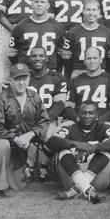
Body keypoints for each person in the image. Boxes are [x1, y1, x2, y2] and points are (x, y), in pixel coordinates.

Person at [0, 63, 50, 199]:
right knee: (2, 146)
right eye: (17, 79)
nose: (21, 83)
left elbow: (44, 122)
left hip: (20, 142)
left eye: (24, 78)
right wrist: (16, 138)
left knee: (17, 186)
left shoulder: (34, 97)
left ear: (29, 79)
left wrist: (30, 134)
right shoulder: (0, 99)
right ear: (10, 80)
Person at [47, 102, 110, 204]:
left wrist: (94, 148)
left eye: (91, 113)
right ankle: (88, 190)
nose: (87, 116)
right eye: (83, 113)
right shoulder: (71, 128)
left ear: (97, 116)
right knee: (62, 149)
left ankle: (77, 189)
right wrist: (75, 144)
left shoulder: (103, 127)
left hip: (98, 178)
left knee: (108, 149)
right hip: (72, 179)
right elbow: (51, 142)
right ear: (78, 114)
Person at [26, 46, 69, 180]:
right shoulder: (24, 77)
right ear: (30, 58)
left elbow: (60, 104)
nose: (37, 58)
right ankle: (28, 165)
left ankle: (44, 167)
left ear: (46, 58)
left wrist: (45, 119)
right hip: (26, 119)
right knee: (17, 133)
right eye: (34, 56)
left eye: (41, 56)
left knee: (52, 137)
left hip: (49, 119)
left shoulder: (57, 77)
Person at [8, 0, 66, 72]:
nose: (39, 5)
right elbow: (12, 54)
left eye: (42, 2)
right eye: (36, 2)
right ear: (31, 5)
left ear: (48, 5)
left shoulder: (58, 27)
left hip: (50, 72)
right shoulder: (20, 26)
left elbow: (61, 54)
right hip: (27, 72)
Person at [61, 0, 110, 78]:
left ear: (99, 12)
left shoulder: (108, 33)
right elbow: (67, 60)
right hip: (79, 72)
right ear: (83, 11)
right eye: (88, 9)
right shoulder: (72, 33)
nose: (91, 13)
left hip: (101, 73)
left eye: (94, 10)